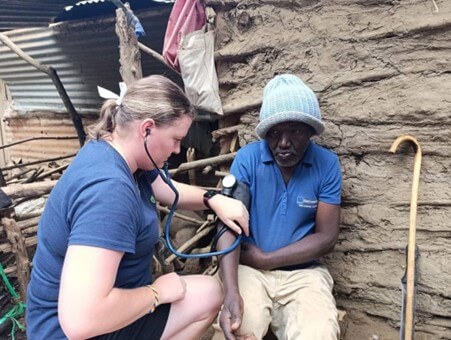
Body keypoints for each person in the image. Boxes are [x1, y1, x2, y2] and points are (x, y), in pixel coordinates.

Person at [26, 75, 249, 340]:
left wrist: (213, 198)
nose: (178, 149)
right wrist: (157, 294)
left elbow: (167, 190)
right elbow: (81, 321)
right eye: (175, 138)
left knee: (209, 292)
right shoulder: (110, 191)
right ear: (146, 129)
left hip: (96, 308)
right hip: (73, 329)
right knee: (207, 294)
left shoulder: (118, 152)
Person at [214, 74, 342, 340]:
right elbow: (227, 226)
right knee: (238, 330)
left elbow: (326, 238)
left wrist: (267, 259)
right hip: (248, 271)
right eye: (274, 133)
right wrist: (230, 291)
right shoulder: (248, 159)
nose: (283, 143)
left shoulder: (326, 165)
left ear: (310, 131)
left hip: (303, 274)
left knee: (318, 333)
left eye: (294, 131)